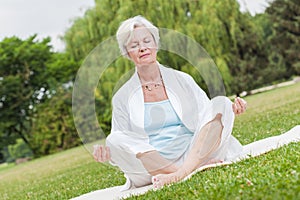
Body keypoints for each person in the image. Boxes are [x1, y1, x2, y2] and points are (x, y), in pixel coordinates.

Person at [93, 15, 247, 190]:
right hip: (153, 168)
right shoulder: (122, 97)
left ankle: (181, 173)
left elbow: (208, 117)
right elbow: (123, 144)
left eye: (146, 41)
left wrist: (230, 110)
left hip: (195, 153)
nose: (142, 48)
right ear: (127, 53)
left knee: (221, 103)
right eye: (134, 45)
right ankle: (187, 170)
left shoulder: (183, 79)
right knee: (113, 138)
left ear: (156, 44)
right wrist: (107, 153)